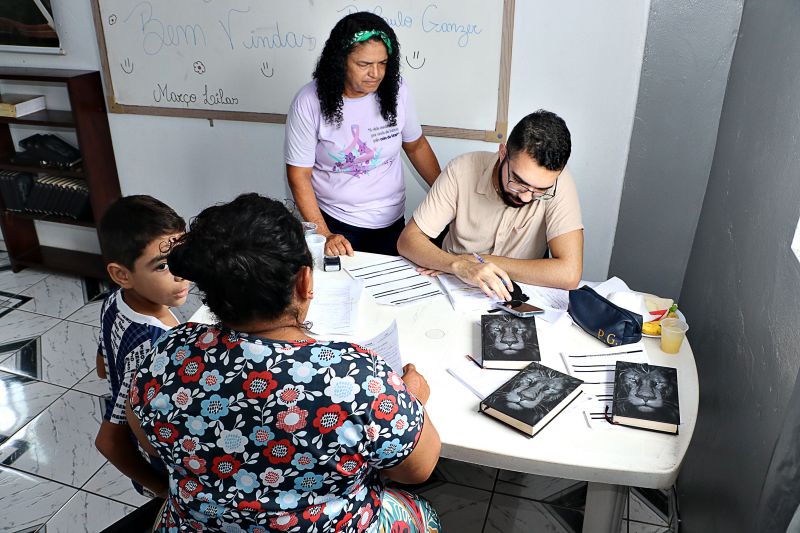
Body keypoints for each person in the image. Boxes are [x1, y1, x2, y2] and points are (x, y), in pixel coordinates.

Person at [127, 193, 442, 532]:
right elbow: (416, 471)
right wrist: (411, 401)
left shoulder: (165, 355)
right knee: (421, 512)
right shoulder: (359, 380)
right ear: (305, 281)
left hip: (200, 526)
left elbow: (152, 444)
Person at [285, 11, 441, 257]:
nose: (376, 73)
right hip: (336, 224)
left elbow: (416, 145)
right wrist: (324, 234)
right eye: (364, 64)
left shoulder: (396, 88)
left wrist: (448, 195)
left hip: (392, 222)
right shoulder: (309, 101)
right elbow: (298, 174)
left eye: (383, 63)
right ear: (340, 61)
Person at [397, 110, 584, 298]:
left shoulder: (559, 182)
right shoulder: (461, 170)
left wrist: (479, 262)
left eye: (540, 190)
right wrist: (458, 265)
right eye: (519, 182)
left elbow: (569, 274)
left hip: (516, 295)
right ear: (503, 153)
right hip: (455, 286)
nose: (527, 197)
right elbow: (408, 240)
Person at [94, 195, 190, 498]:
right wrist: (163, 488)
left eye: (181, 255)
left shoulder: (116, 300)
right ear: (122, 274)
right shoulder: (154, 343)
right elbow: (109, 440)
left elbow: (102, 365)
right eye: (162, 266)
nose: (180, 273)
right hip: (161, 466)